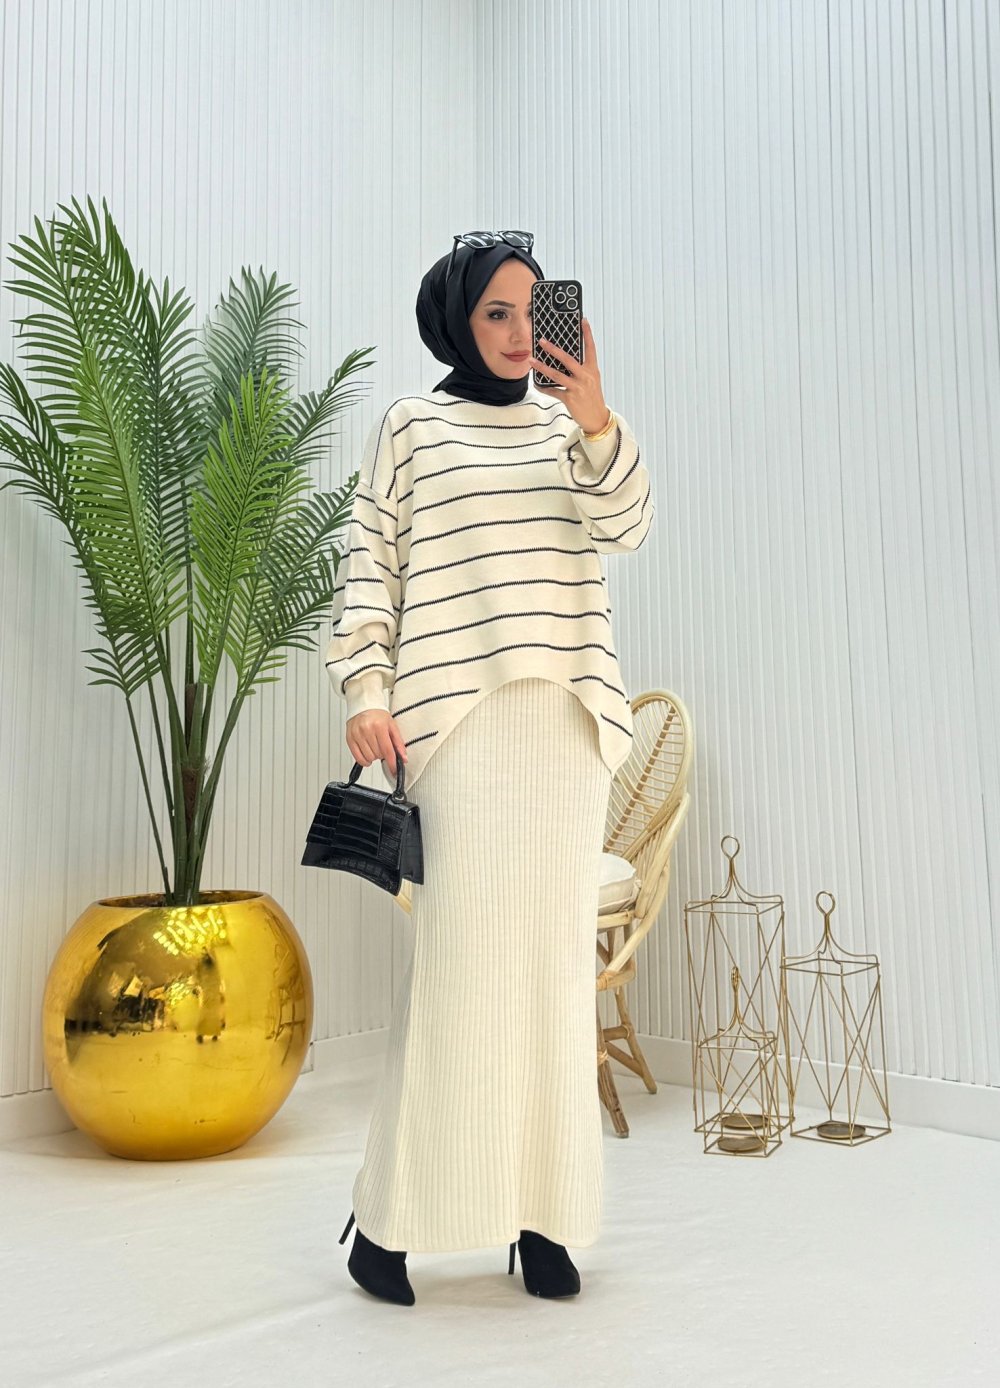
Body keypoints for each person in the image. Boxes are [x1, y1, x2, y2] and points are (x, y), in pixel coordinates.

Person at [325, 231, 654, 1305]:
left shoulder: (572, 428)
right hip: (458, 733)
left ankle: (544, 1220)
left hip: (566, 730)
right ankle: (388, 1225)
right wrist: (365, 692)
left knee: (554, 981)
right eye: (495, 314)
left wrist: (595, 413)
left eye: (531, 311)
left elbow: (628, 526)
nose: (518, 334)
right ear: (457, 324)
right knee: (459, 977)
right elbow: (368, 563)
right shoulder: (411, 427)